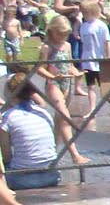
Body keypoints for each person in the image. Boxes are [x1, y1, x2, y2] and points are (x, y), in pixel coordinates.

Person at [30, 17, 90, 168]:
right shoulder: (47, 47)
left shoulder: (67, 45)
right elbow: (40, 68)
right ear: (52, 31)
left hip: (66, 84)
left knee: (59, 120)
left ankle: (53, 151)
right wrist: (52, 77)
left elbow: (69, 65)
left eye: (66, 34)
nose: (63, 37)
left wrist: (77, 73)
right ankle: (75, 155)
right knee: (65, 118)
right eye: (60, 34)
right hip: (53, 84)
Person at [0, 76, 65, 190]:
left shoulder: (8, 117)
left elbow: (6, 155)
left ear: (10, 93)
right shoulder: (43, 113)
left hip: (22, 179)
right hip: (52, 175)